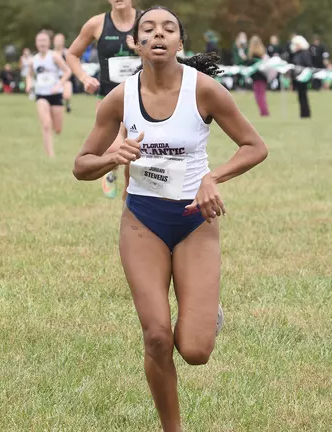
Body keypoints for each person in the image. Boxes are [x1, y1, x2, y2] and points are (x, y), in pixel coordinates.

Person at [72, 8, 268, 431]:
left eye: (168, 29)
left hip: (195, 220)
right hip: (143, 220)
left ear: (181, 43)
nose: (158, 34)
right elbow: (81, 165)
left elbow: (255, 146)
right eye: (148, 29)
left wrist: (212, 178)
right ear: (135, 44)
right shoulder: (120, 98)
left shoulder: (205, 91)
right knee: (158, 336)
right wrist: (111, 155)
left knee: (195, 350)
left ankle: (206, 310)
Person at [67, 0, 140, 199]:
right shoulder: (97, 24)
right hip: (109, 98)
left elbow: (164, 52)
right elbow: (72, 54)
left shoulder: (146, 21)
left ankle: (130, 196)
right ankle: (110, 169)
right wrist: (84, 78)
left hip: (141, 97)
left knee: (137, 153)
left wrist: (140, 47)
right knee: (116, 148)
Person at [26, 30, 71, 158]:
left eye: (44, 40)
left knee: (57, 128)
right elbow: (29, 75)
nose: (42, 43)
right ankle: (50, 155)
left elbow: (67, 71)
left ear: (49, 42)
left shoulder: (54, 56)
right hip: (41, 94)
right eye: (39, 41)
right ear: (36, 43)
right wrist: (29, 84)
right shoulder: (33, 60)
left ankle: (55, 131)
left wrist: (59, 84)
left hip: (55, 94)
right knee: (46, 124)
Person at [290, 35, 312, 119]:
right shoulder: (296, 54)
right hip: (297, 77)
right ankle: (303, 113)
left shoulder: (305, 53)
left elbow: (307, 65)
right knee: (300, 96)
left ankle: (305, 113)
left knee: (303, 96)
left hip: (303, 77)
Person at [247, 35, 269, 117]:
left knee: (259, 96)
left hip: (257, 78)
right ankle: (264, 111)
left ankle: (264, 112)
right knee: (262, 95)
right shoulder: (262, 54)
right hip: (263, 77)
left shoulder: (253, 56)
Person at [53, 32, 73, 113]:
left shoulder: (67, 52)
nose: (58, 42)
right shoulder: (51, 54)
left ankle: (67, 104)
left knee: (67, 95)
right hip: (54, 78)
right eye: (57, 40)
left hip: (65, 77)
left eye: (60, 40)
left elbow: (70, 65)